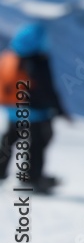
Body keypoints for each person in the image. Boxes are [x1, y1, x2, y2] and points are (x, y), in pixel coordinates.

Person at [0, 22, 69, 194]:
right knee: (38, 142)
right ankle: (32, 178)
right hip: (35, 110)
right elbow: (47, 88)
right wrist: (58, 109)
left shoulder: (10, 56)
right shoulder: (38, 60)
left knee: (10, 140)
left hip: (13, 108)